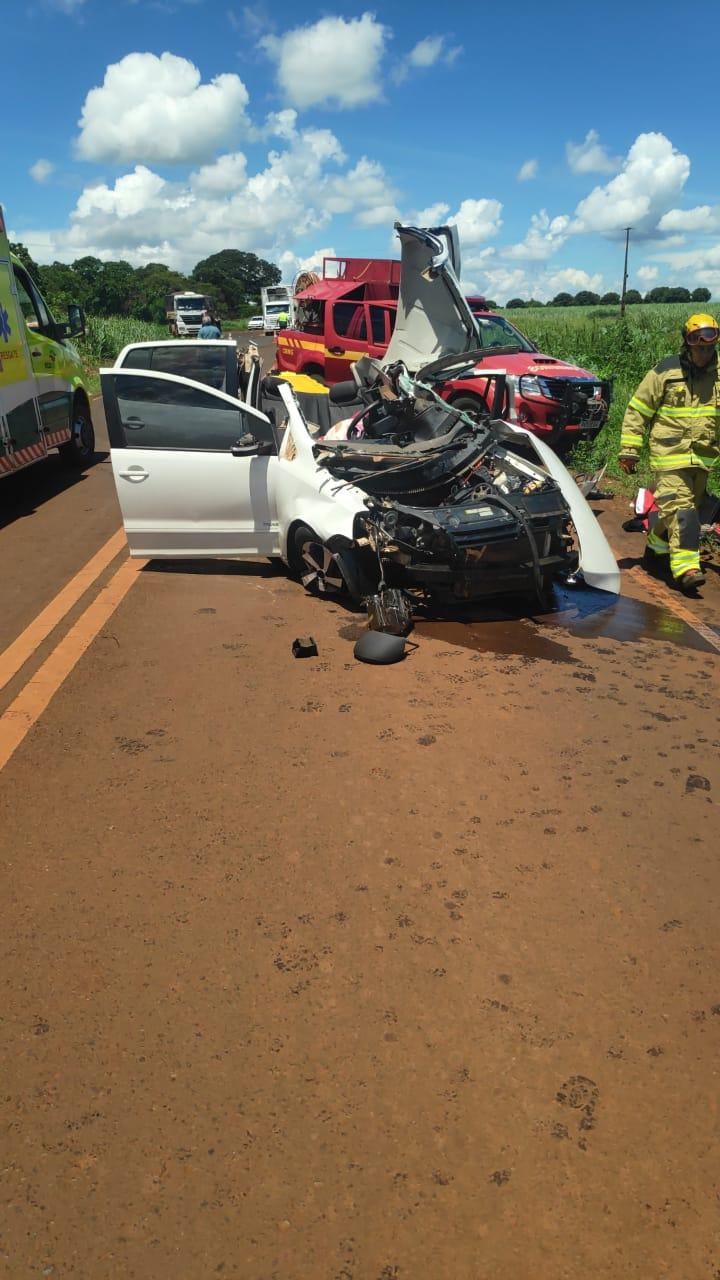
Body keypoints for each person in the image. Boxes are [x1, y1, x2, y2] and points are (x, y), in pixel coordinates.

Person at [618, 313, 720, 593]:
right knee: (684, 513)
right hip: (668, 455)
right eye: (700, 347)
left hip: (703, 458)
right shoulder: (665, 371)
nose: (705, 353)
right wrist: (629, 450)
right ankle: (687, 568)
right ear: (688, 344)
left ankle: (655, 550)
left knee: (676, 512)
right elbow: (638, 410)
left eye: (710, 348)